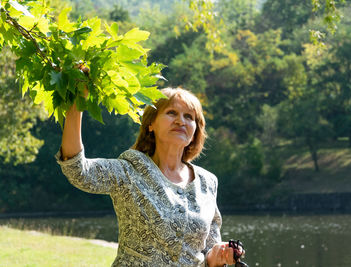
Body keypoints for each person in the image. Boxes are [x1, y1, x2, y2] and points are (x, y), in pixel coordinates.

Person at [56, 87, 238, 266]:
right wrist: (76, 105)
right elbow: (78, 170)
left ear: (195, 131)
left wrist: (219, 255)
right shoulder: (129, 170)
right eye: (172, 113)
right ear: (151, 124)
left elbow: (209, 252)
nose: (180, 121)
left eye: (189, 117)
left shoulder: (208, 182)